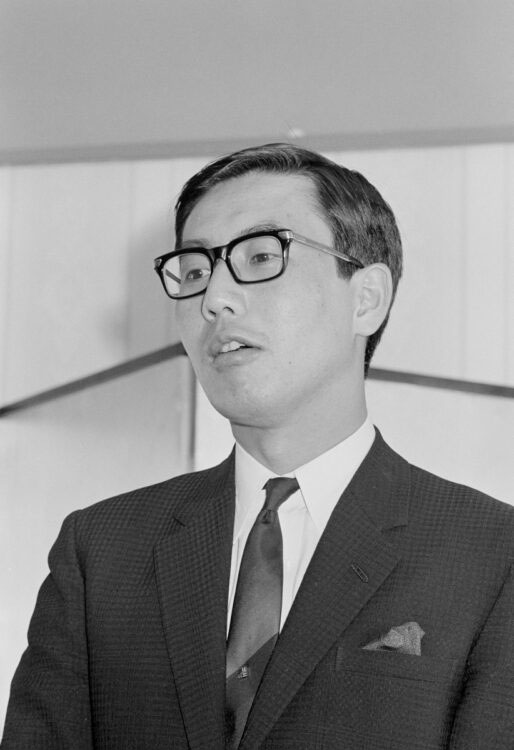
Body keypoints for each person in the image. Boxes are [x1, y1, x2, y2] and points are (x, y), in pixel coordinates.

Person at [3, 143, 514, 749]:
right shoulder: (102, 550)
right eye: (195, 271)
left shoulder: (491, 553)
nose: (214, 298)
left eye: (262, 256)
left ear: (366, 299)